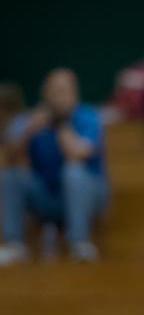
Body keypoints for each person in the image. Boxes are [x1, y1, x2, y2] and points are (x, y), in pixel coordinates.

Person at [0, 69, 108, 265]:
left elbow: (77, 154)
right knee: (9, 176)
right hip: (48, 196)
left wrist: (61, 125)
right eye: (55, 91)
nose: (61, 97)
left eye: (65, 91)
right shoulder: (32, 120)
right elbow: (9, 157)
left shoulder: (88, 116)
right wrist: (29, 130)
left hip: (89, 195)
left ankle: (79, 243)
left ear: (75, 93)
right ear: (45, 95)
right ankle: (15, 244)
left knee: (73, 171)